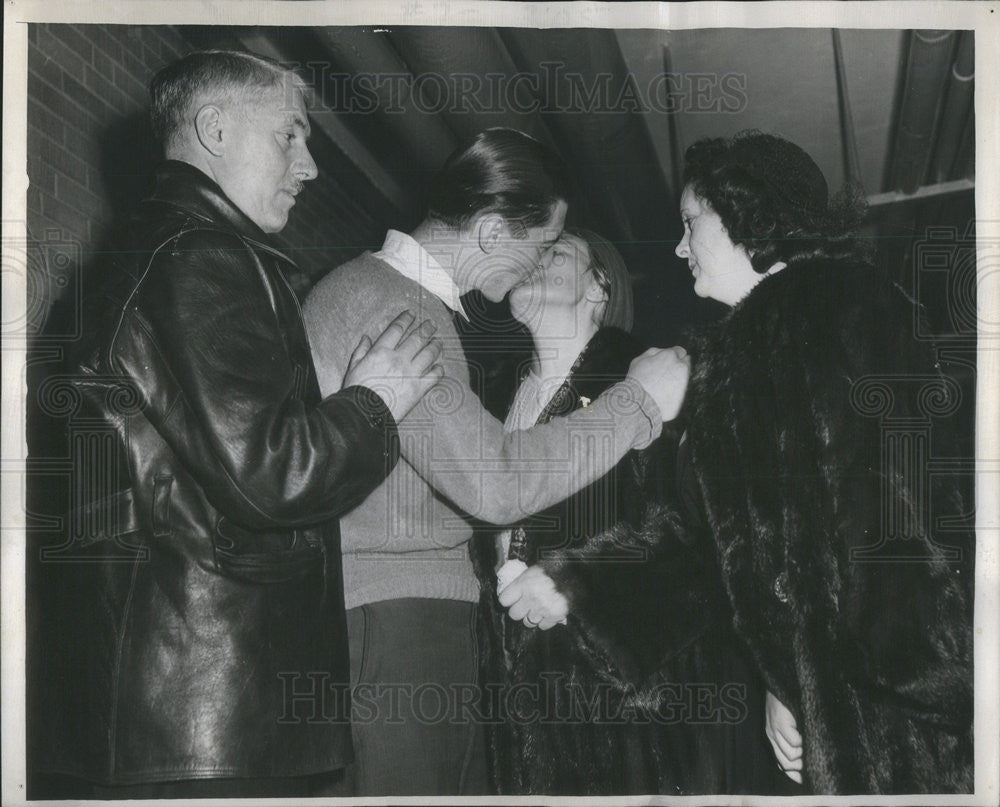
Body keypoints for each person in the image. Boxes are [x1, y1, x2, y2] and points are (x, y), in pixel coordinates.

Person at [28, 50, 444, 799]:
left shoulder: (148, 249)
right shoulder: (200, 255)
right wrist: (375, 399)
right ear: (214, 129)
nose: (310, 165)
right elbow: (279, 474)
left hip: (161, 718)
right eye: (291, 135)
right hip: (205, 724)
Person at [303, 129, 691, 796]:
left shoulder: (398, 303)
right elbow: (494, 481)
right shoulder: (398, 307)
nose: (537, 263)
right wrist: (635, 403)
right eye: (539, 245)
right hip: (399, 628)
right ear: (488, 233)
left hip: (435, 636)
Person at [674, 131, 974, 794]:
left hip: (895, 705)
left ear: (744, 214)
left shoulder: (840, 308)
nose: (678, 246)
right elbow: (750, 556)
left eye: (690, 223)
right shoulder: (746, 346)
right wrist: (787, 680)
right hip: (845, 700)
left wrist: (871, 685)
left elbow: (893, 519)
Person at [471, 228, 778, 795]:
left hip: (641, 718)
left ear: (599, 289)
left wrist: (582, 588)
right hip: (526, 710)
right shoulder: (488, 401)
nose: (531, 260)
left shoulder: (655, 379)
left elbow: (709, 544)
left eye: (555, 253)